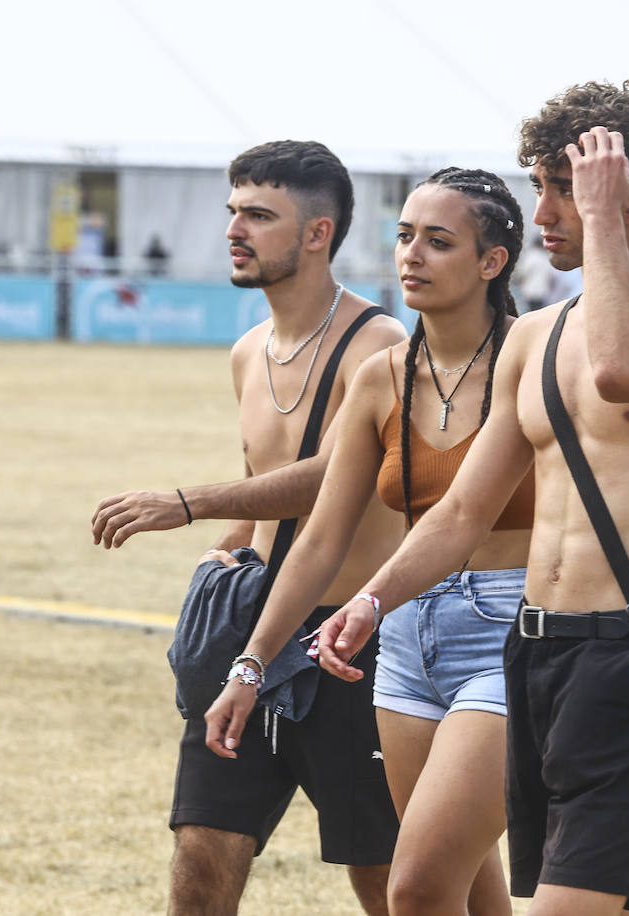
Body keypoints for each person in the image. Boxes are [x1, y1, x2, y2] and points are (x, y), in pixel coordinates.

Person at [310, 80, 629, 916]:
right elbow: (462, 512)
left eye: (566, 188)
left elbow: (626, 370)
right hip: (531, 654)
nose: (542, 211)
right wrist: (373, 599)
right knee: (491, 894)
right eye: (540, 185)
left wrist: (608, 225)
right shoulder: (537, 337)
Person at [89, 140, 405, 916]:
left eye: (260, 216)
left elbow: (342, 476)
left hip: (351, 647)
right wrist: (224, 548)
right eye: (234, 211)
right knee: (200, 859)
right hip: (254, 639)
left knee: (388, 879)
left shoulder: (382, 347)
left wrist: (186, 502)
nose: (236, 228)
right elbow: (267, 482)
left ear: (317, 233)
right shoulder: (246, 352)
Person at [205, 167, 532, 915]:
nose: (411, 255)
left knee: (412, 885)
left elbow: (470, 517)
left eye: (439, 242)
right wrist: (250, 666)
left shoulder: (535, 360)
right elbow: (318, 538)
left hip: (510, 632)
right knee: (457, 887)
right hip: (404, 636)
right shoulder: (384, 377)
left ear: (493, 262)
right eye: (405, 236)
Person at [516, 233, 555, 312]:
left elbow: (524, 273)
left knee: (529, 312)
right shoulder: (545, 258)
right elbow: (551, 276)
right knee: (539, 312)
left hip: (530, 291)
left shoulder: (531, 256)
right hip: (542, 292)